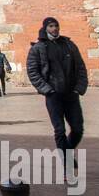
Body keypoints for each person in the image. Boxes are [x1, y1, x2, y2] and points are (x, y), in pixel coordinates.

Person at [26, 16, 88, 167]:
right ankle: (66, 161)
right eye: (51, 26)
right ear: (45, 28)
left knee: (78, 128)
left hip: (71, 94)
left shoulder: (69, 45)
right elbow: (32, 71)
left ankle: (66, 150)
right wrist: (47, 90)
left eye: (56, 26)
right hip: (53, 95)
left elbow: (80, 67)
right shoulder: (38, 48)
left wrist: (79, 88)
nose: (55, 29)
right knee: (59, 130)